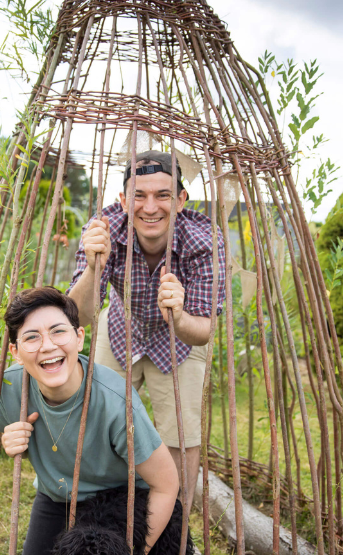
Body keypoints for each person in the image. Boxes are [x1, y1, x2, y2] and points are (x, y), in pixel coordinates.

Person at [0, 286, 179, 555]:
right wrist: (7, 441)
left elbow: (166, 485)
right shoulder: (8, 390)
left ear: (79, 338)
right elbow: (4, 435)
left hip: (117, 503)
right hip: (57, 498)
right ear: (15, 351)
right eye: (32, 337)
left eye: (58, 331)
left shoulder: (115, 403)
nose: (48, 346)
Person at [68, 150, 226, 517]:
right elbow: (81, 316)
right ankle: (96, 518)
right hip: (121, 326)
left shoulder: (204, 240)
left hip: (179, 341)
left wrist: (178, 316)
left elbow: (202, 331)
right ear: (123, 201)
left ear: (181, 200)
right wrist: (94, 268)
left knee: (181, 435)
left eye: (163, 195)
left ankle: (174, 529)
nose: (150, 207)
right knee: (95, 422)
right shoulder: (103, 229)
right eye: (139, 195)